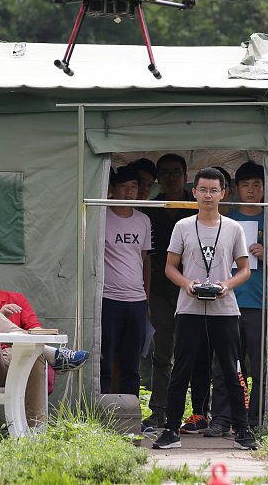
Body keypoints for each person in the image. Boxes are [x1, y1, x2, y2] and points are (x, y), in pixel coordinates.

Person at [152, 167, 256, 450]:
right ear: (194, 192)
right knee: (181, 369)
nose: (208, 195)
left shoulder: (233, 228)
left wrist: (226, 284)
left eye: (214, 190)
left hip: (225, 309)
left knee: (232, 369)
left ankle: (243, 431)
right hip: (189, 308)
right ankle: (171, 430)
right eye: (202, 190)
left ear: (223, 193)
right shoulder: (183, 226)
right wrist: (187, 284)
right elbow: (170, 267)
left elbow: (244, 269)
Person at [0, 248, 89, 426]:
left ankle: (35, 434)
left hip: (18, 364)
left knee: (36, 353)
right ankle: (53, 354)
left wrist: (9, 332)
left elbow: (39, 334)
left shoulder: (16, 300)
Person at [207, 161, 265, 436]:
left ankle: (254, 419)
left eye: (257, 185)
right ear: (235, 189)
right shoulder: (226, 221)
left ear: (266, 188)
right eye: (245, 185)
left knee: (260, 364)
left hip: (261, 303)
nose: (251, 191)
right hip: (227, 301)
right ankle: (220, 418)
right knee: (225, 363)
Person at [142, 153, 197, 429]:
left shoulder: (198, 206)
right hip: (160, 291)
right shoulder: (150, 209)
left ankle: (200, 412)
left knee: (196, 352)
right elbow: (146, 256)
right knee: (162, 352)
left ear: (186, 176)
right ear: (158, 179)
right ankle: (160, 410)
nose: (171, 177)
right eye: (165, 173)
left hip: (194, 290)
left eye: (176, 172)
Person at [100, 166, 152, 396]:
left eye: (134, 186)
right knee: (105, 358)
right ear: (112, 189)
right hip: (108, 297)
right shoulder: (101, 216)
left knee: (132, 361)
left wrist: (146, 299)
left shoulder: (143, 220)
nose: (130, 191)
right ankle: (100, 411)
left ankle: (131, 412)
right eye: (124, 186)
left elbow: (142, 259)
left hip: (137, 299)